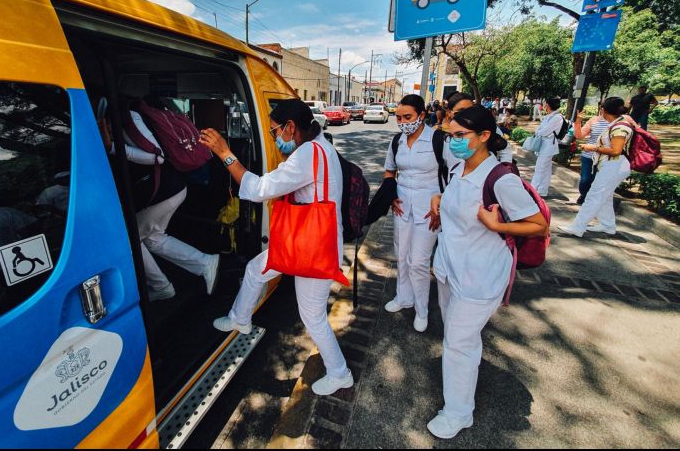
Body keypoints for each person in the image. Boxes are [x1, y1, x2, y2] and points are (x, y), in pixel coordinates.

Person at [200, 99, 353, 396]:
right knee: (256, 269)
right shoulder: (320, 145)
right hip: (308, 241)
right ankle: (240, 318)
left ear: (290, 127)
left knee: (313, 316)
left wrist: (225, 154)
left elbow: (259, 189)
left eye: (274, 132)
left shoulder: (307, 153)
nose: (273, 138)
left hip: (313, 248)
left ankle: (340, 373)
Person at [425, 105, 548, 439]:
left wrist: (498, 225)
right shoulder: (459, 168)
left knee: (457, 343)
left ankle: (458, 413)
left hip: (479, 277)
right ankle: (463, 385)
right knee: (460, 339)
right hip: (452, 269)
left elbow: (538, 225)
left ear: (484, 136)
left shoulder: (501, 179)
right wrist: (439, 201)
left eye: (460, 135)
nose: (453, 142)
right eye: (450, 135)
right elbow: (459, 204)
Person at [98, 101, 220, 301]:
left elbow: (157, 157)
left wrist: (112, 148)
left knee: (127, 238)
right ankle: (205, 263)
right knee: (153, 238)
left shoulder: (126, 115)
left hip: (165, 190)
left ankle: (161, 286)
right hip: (172, 188)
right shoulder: (123, 114)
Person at [382, 94, 458, 332]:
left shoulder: (438, 140)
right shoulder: (397, 141)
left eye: (408, 117)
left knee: (419, 261)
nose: (403, 122)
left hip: (430, 211)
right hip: (402, 207)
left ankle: (421, 309)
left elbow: (456, 175)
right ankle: (403, 297)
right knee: (401, 255)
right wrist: (390, 195)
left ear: (422, 115)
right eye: (399, 118)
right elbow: (389, 171)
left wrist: (443, 205)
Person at [559, 97, 634, 237]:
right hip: (612, 165)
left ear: (603, 110)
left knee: (594, 195)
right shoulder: (617, 123)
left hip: (614, 165)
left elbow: (616, 151)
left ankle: (578, 227)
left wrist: (593, 148)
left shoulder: (620, 127)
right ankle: (607, 225)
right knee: (605, 197)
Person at [444, 92, 514, 164]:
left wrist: (505, 166)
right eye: (461, 111)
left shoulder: (486, 126)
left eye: (470, 110)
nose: (467, 115)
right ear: (449, 112)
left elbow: (505, 150)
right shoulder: (441, 132)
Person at [530, 98, 563, 197]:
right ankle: (542, 191)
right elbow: (540, 129)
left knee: (540, 168)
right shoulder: (549, 116)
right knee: (546, 169)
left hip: (549, 146)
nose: (544, 106)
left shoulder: (557, 118)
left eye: (545, 104)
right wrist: (539, 131)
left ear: (548, 105)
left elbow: (543, 131)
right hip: (545, 144)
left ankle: (533, 190)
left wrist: (538, 131)